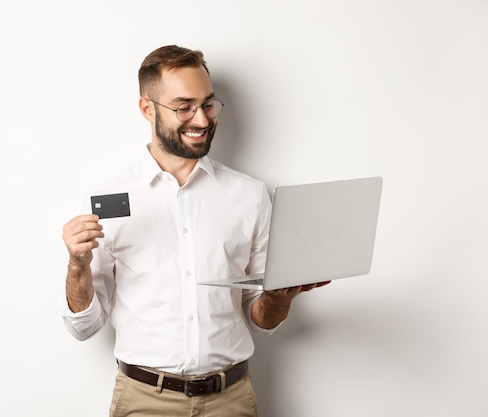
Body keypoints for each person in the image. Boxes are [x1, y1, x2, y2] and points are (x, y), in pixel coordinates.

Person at [60, 45, 330, 417]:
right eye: (183, 107)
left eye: (208, 104)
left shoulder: (249, 195)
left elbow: (262, 318)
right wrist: (77, 264)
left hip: (231, 400)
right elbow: (84, 327)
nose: (202, 120)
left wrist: (281, 296)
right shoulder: (107, 199)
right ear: (147, 109)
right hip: (143, 402)